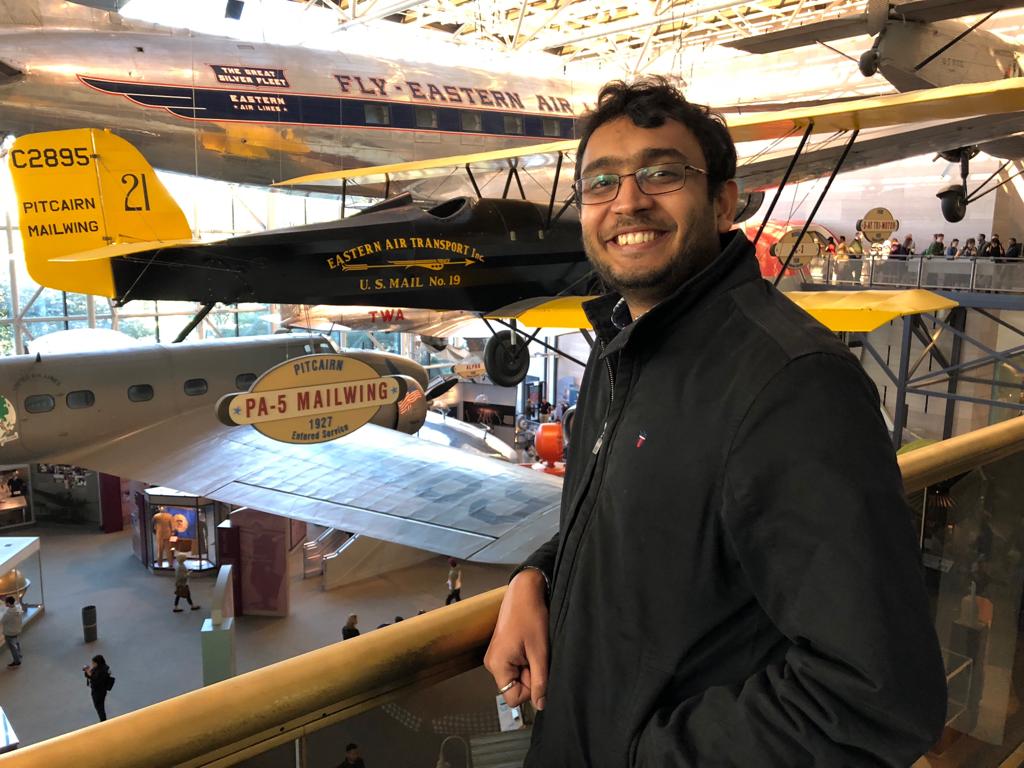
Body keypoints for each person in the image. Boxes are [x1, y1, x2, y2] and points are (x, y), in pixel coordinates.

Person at [483, 77, 946, 766]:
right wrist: (536, 576)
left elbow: (875, 698)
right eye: (601, 183)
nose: (628, 200)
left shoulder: (792, 383)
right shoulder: (623, 354)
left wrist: (640, 756)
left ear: (724, 202)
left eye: (662, 173)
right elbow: (647, 528)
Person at [83, 654, 112, 721]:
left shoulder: (102, 671)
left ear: (97, 663)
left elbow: (97, 682)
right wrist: (88, 672)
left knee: (99, 707)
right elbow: (91, 676)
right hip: (101, 691)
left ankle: (103, 720)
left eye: (93, 663)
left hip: (99, 692)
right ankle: (103, 720)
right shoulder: (101, 667)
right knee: (99, 706)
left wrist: (90, 675)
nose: (92, 664)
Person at [2, 596, 21, 668]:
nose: (5, 604)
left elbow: (2, 621)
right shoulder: (18, 608)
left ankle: (17, 662)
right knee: (16, 642)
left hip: (10, 632)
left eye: (5, 603)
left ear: (9, 604)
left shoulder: (8, 614)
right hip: (17, 629)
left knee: (12, 647)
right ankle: (19, 655)